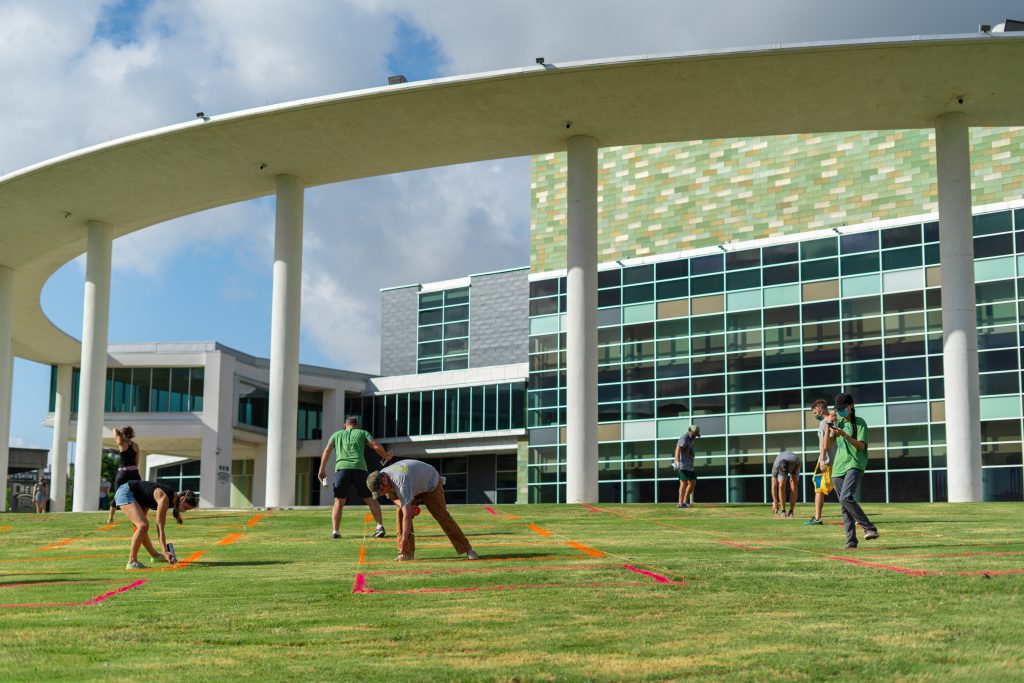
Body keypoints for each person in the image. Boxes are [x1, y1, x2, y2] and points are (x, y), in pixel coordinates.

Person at [366, 458, 480, 561]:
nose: (382, 493)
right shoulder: (384, 478)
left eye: (382, 490)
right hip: (414, 487)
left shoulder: (400, 480)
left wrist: (404, 538)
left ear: (384, 479)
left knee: (442, 516)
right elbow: (394, 498)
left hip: (431, 485)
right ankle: (406, 554)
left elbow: (407, 516)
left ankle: (468, 549)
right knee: (400, 512)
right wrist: (408, 507)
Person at [317, 416, 387, 540]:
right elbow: (376, 446)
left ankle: (335, 532)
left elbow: (327, 451)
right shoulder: (362, 433)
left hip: (342, 470)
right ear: (357, 426)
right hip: (360, 469)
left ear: (345, 425)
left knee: (339, 501)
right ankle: (379, 527)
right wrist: (386, 455)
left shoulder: (336, 435)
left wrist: (321, 470)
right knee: (370, 499)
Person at [829, 393, 879, 549]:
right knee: (844, 506)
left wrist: (844, 434)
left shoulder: (860, 422)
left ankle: (869, 528)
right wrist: (829, 426)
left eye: (843, 408)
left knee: (846, 497)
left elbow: (861, 446)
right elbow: (826, 446)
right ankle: (851, 541)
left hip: (855, 464)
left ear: (851, 406)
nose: (841, 411)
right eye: (838, 409)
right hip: (838, 468)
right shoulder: (837, 423)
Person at [112, 479, 198, 569]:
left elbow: (146, 498)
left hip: (140, 498)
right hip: (126, 492)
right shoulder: (164, 498)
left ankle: (155, 556)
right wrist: (165, 551)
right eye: (185, 507)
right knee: (143, 526)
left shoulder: (170, 498)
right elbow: (160, 528)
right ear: (182, 498)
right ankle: (132, 561)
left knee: (142, 528)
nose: (184, 510)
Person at [805, 398, 837, 525]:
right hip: (835, 460)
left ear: (820, 409)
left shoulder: (824, 423)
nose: (814, 415)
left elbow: (826, 444)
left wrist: (822, 459)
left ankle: (817, 518)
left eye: (814, 413)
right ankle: (854, 516)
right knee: (840, 488)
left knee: (818, 488)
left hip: (826, 461)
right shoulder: (834, 421)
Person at [107, 426, 142, 524]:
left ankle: (110, 518)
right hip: (134, 472)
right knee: (138, 494)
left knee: (117, 494)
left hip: (122, 472)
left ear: (123, 434)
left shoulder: (121, 442)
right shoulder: (136, 445)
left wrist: (120, 433)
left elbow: (114, 430)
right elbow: (137, 462)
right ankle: (138, 516)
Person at [673, 425, 700, 508]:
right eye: (695, 434)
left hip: (690, 466)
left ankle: (685, 501)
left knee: (692, 482)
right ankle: (680, 503)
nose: (695, 435)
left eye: (696, 434)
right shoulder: (684, 438)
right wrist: (677, 462)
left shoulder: (691, 440)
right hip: (683, 465)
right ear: (690, 431)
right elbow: (678, 449)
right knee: (683, 483)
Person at [770, 450, 800, 518]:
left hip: (794, 465)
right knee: (781, 485)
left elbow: (799, 463)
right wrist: (775, 502)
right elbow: (774, 486)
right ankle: (783, 511)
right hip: (782, 462)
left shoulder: (795, 460)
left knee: (794, 485)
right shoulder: (776, 466)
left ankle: (791, 511)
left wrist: (794, 475)